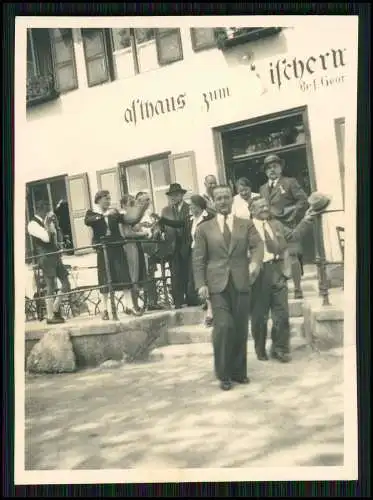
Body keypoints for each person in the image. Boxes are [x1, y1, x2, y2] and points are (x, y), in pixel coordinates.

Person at [193, 185, 264, 391]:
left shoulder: (246, 224)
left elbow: (257, 246)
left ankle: (239, 372)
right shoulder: (203, 229)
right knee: (223, 327)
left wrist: (255, 263)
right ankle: (224, 373)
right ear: (213, 202)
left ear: (231, 201)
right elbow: (198, 259)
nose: (223, 201)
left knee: (241, 327)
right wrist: (200, 284)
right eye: (219, 198)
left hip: (241, 281)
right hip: (217, 284)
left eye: (226, 197)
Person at [249, 195, 323, 363]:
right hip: (257, 275)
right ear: (252, 210)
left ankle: (280, 348)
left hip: (277, 270)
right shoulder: (245, 227)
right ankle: (260, 348)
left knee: (282, 314)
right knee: (259, 317)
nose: (264, 209)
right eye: (260, 207)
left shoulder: (276, 224)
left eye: (266, 206)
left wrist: (306, 219)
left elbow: (295, 235)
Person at [84, 190, 149, 320]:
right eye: (106, 199)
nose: (108, 201)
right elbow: (88, 221)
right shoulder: (92, 214)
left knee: (124, 275)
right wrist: (104, 216)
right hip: (103, 249)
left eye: (109, 198)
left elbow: (129, 219)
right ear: (98, 200)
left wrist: (141, 210)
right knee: (104, 279)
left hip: (116, 247)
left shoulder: (114, 213)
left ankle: (129, 306)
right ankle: (105, 310)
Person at [259, 154, 308, 299]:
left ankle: (298, 288)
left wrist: (291, 212)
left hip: (288, 225)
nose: (271, 170)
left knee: (292, 256)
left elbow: (303, 201)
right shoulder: (262, 188)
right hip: (271, 227)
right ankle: (281, 289)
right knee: (277, 259)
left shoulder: (289, 182)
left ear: (280, 168)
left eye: (274, 166)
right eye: (268, 168)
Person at [27, 199, 72, 324]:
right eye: (46, 207)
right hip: (45, 256)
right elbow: (46, 238)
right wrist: (48, 224)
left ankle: (55, 308)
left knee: (66, 283)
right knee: (50, 285)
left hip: (55, 255)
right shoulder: (32, 224)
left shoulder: (49, 221)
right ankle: (51, 315)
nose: (48, 211)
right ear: (39, 208)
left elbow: (56, 237)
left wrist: (55, 225)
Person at [160, 183, 194, 309]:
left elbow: (186, 223)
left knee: (189, 272)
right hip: (173, 245)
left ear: (182, 195)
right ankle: (177, 301)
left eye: (176, 195)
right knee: (175, 273)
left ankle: (191, 298)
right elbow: (162, 227)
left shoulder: (189, 208)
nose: (173, 197)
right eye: (171, 195)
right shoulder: (166, 210)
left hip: (187, 243)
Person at [119, 194, 149, 315]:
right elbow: (127, 233)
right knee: (133, 275)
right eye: (131, 203)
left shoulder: (129, 215)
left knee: (137, 274)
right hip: (129, 246)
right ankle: (133, 306)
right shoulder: (123, 215)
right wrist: (143, 234)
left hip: (134, 245)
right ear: (124, 204)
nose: (133, 205)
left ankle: (133, 305)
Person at [189, 195, 215, 325]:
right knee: (202, 280)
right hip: (197, 252)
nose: (190, 207)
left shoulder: (209, 216)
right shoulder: (191, 220)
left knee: (209, 280)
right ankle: (209, 308)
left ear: (199, 205)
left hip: (209, 251)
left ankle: (211, 311)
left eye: (192, 205)